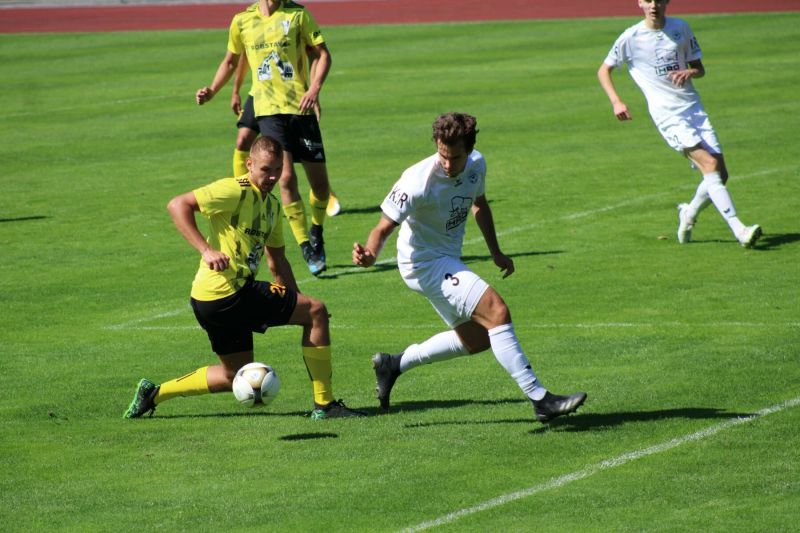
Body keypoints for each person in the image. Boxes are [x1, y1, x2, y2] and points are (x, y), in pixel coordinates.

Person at [352, 112, 587, 423]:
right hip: (422, 263)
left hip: (446, 257)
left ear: (469, 149)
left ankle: (394, 364)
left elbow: (479, 204)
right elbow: (382, 228)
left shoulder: (477, 164)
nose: (448, 164)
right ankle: (540, 399)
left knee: (478, 339)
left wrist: (496, 252)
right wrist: (369, 254)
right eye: (443, 156)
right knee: (497, 312)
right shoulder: (416, 181)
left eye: (456, 157)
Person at [123, 136, 363, 420]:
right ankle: (325, 406)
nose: (272, 176)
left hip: (209, 300)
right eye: (265, 169)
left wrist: (299, 301)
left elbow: (277, 261)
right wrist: (207, 250)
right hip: (228, 293)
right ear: (249, 164)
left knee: (231, 375)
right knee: (317, 311)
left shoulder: (272, 207)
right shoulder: (233, 190)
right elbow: (178, 205)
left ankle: (154, 394)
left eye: (277, 169)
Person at [597, 0, 761, 247]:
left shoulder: (681, 28)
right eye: (648, 0)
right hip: (667, 114)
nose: (653, 5)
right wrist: (616, 101)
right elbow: (604, 70)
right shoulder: (631, 37)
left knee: (720, 174)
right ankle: (740, 230)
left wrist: (690, 73)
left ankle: (689, 213)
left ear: (666, 2)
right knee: (710, 164)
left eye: (658, 0)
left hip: (694, 107)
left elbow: (699, 68)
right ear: (639, 2)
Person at [196, 0, 336, 276]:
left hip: (301, 108)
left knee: (319, 185)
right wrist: (213, 90)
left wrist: (315, 89)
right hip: (268, 110)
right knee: (284, 177)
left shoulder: (297, 15)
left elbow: (323, 54)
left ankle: (317, 230)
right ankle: (305, 244)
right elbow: (231, 60)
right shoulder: (242, 20)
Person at [231, 41, 341, 217]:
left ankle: (325, 193)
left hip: (291, 96)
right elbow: (243, 54)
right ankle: (248, 197)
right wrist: (235, 89)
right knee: (243, 140)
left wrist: (313, 91)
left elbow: (315, 55)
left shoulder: (294, 17)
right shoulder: (251, 18)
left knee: (303, 157)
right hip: (260, 93)